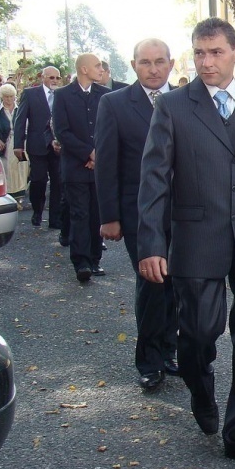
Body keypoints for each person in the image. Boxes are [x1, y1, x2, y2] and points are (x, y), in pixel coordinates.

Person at [138, 17, 235, 469]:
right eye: (200, 53)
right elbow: (153, 181)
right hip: (196, 239)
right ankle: (199, 388)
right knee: (200, 334)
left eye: (216, 52)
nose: (206, 62)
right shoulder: (172, 107)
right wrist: (151, 244)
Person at [95, 39, 178, 392]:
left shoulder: (189, 100)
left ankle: (170, 350)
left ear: (171, 64)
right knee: (152, 282)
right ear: (133, 65)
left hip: (186, 213)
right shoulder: (113, 104)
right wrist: (109, 216)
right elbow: (107, 165)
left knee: (177, 284)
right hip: (138, 214)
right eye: (146, 62)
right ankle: (149, 360)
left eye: (160, 61)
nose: (154, 68)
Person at [52, 54, 110, 283]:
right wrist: (88, 152)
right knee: (79, 214)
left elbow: (108, 128)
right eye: (97, 66)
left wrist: (98, 154)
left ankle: (95, 259)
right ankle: (81, 262)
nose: (101, 69)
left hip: (99, 166)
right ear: (84, 69)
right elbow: (62, 131)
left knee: (97, 214)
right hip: (75, 166)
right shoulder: (63, 95)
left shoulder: (105, 95)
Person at [13, 66, 63, 229]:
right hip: (37, 145)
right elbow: (20, 120)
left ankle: (55, 218)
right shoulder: (30, 94)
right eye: (51, 77)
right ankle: (37, 211)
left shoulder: (62, 95)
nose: (54, 81)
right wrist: (18, 144)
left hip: (57, 146)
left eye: (57, 78)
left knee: (58, 182)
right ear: (43, 77)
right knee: (38, 180)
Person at [0, 83, 28, 204]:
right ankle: (10, 196)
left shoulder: (21, 109)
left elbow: (28, 127)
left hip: (21, 143)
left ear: (14, 96)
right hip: (5, 144)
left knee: (22, 168)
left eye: (11, 96)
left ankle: (20, 195)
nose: (8, 99)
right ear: (2, 97)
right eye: (6, 97)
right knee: (7, 170)